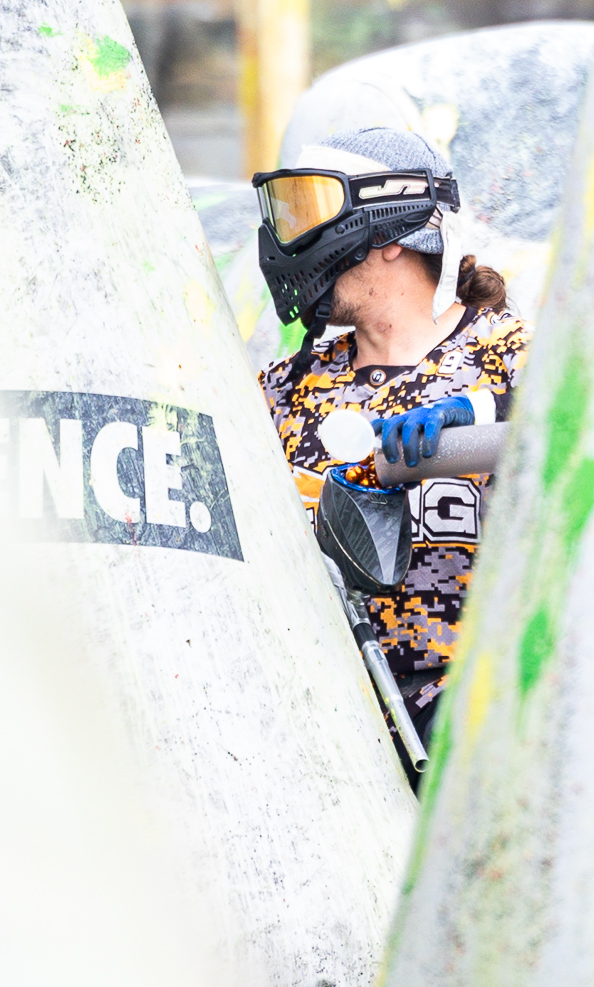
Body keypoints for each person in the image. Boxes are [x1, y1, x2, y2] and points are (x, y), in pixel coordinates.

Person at [252, 127, 529, 789]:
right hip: (328, 748)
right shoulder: (282, 390)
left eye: (311, 211)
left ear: (390, 234)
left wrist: (490, 411)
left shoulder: (510, 355)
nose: (291, 240)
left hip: (482, 735)